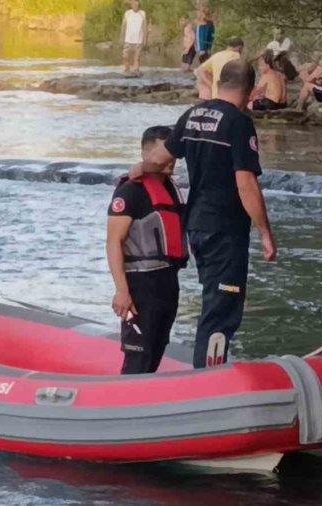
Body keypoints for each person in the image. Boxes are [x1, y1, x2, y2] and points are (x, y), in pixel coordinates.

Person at [132, 60, 278, 369]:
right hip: (224, 228)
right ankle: (208, 377)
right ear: (250, 90)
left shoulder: (194, 115)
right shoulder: (238, 123)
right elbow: (246, 182)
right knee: (222, 307)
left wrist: (137, 170)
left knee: (213, 298)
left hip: (195, 226)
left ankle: (206, 368)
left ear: (218, 84)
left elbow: (159, 158)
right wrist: (265, 231)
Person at [107, 126, 188, 375]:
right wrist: (122, 291)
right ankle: (124, 404)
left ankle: (145, 400)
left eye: (171, 153)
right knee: (138, 352)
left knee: (157, 346)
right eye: (163, 153)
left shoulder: (172, 191)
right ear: (145, 154)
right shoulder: (130, 192)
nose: (170, 159)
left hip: (167, 280)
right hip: (140, 283)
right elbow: (113, 242)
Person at [120, 0, 149, 77]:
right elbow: (123, 26)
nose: (135, 4)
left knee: (137, 57)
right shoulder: (127, 13)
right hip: (128, 40)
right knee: (125, 56)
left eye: (137, 3)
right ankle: (127, 69)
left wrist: (145, 39)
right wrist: (121, 37)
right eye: (133, 3)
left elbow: (145, 27)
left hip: (138, 40)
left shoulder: (142, 13)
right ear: (131, 5)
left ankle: (136, 70)